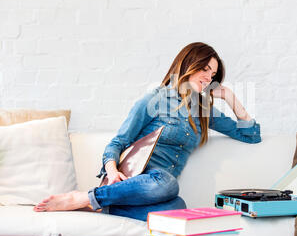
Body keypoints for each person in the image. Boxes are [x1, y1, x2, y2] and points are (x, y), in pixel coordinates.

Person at [33, 42, 261, 221]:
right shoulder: (156, 99)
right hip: (144, 179)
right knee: (168, 182)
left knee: (178, 207)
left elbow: (251, 135)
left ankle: (103, 208)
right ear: (188, 64)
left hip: (157, 191)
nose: (208, 78)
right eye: (205, 69)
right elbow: (118, 142)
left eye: (213, 75)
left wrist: (230, 97)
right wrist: (112, 172)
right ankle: (85, 197)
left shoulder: (203, 111)